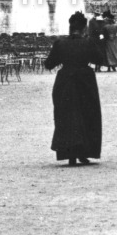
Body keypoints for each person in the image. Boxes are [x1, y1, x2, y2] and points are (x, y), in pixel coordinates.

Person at [44, 11, 103, 166]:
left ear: (70, 26)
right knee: (87, 115)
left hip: (65, 80)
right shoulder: (88, 42)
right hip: (85, 80)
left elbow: (49, 64)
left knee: (66, 116)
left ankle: (69, 152)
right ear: (84, 28)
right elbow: (100, 59)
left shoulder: (60, 43)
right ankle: (84, 151)